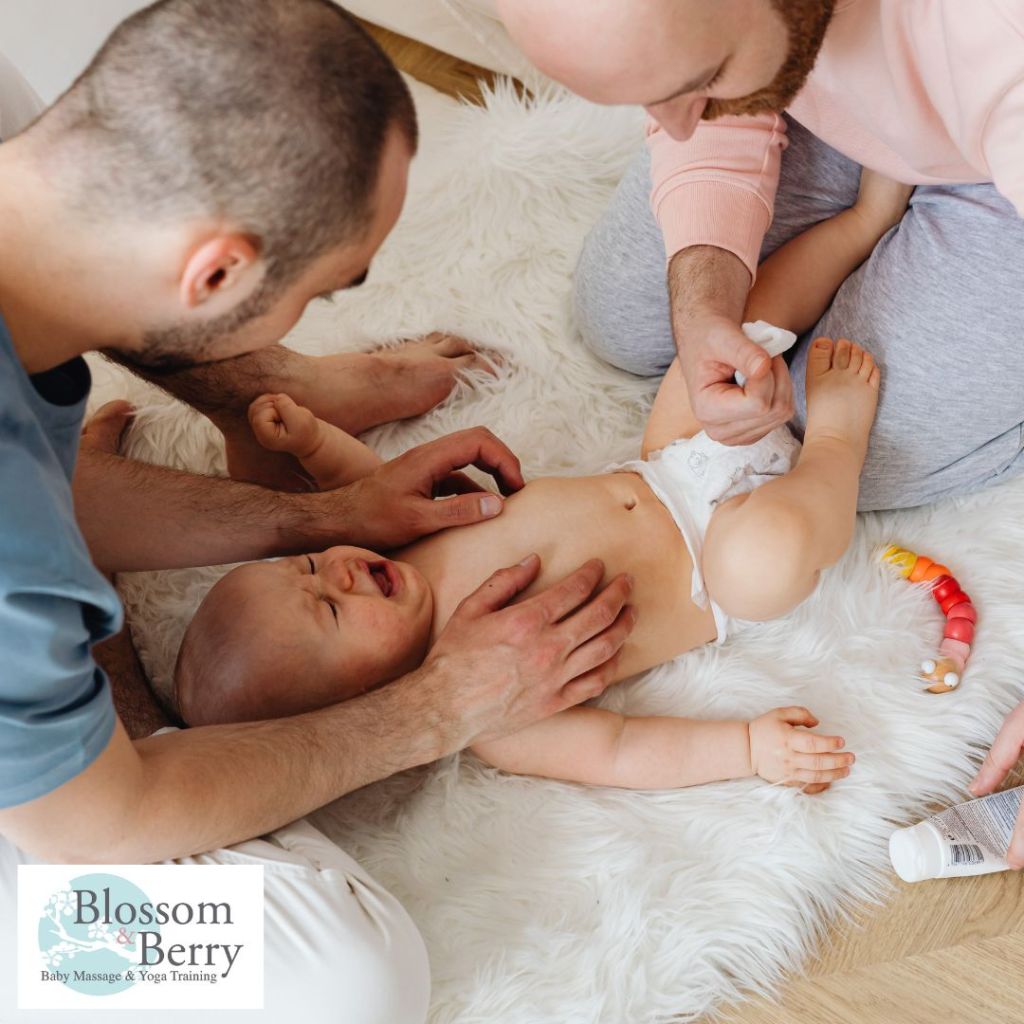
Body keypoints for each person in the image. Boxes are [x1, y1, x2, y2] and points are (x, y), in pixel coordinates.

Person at [0, 4, 637, 1022]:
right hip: (70, 818)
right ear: (214, 273)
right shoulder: (12, 559)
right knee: (349, 981)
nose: (328, 308)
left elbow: (40, 489)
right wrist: (446, 703)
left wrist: (315, 513)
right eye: (325, 289)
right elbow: (101, 824)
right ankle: (114, 718)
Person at [169, 170, 915, 795]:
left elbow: (369, 481)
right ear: (355, 700)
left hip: (670, 461)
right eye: (330, 614)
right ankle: (835, 447)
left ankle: (860, 221)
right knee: (767, 559)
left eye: (306, 566)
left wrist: (310, 439)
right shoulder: (494, 715)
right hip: (718, 569)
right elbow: (619, 750)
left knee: (722, 336)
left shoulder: (394, 548)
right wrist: (747, 750)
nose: (338, 573)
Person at [495, 0, 1024, 871]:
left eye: (698, 83)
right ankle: (867, 210)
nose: (673, 122)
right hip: (848, 81)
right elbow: (616, 750)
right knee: (629, 319)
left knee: (875, 443)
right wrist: (706, 309)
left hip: (985, 128)